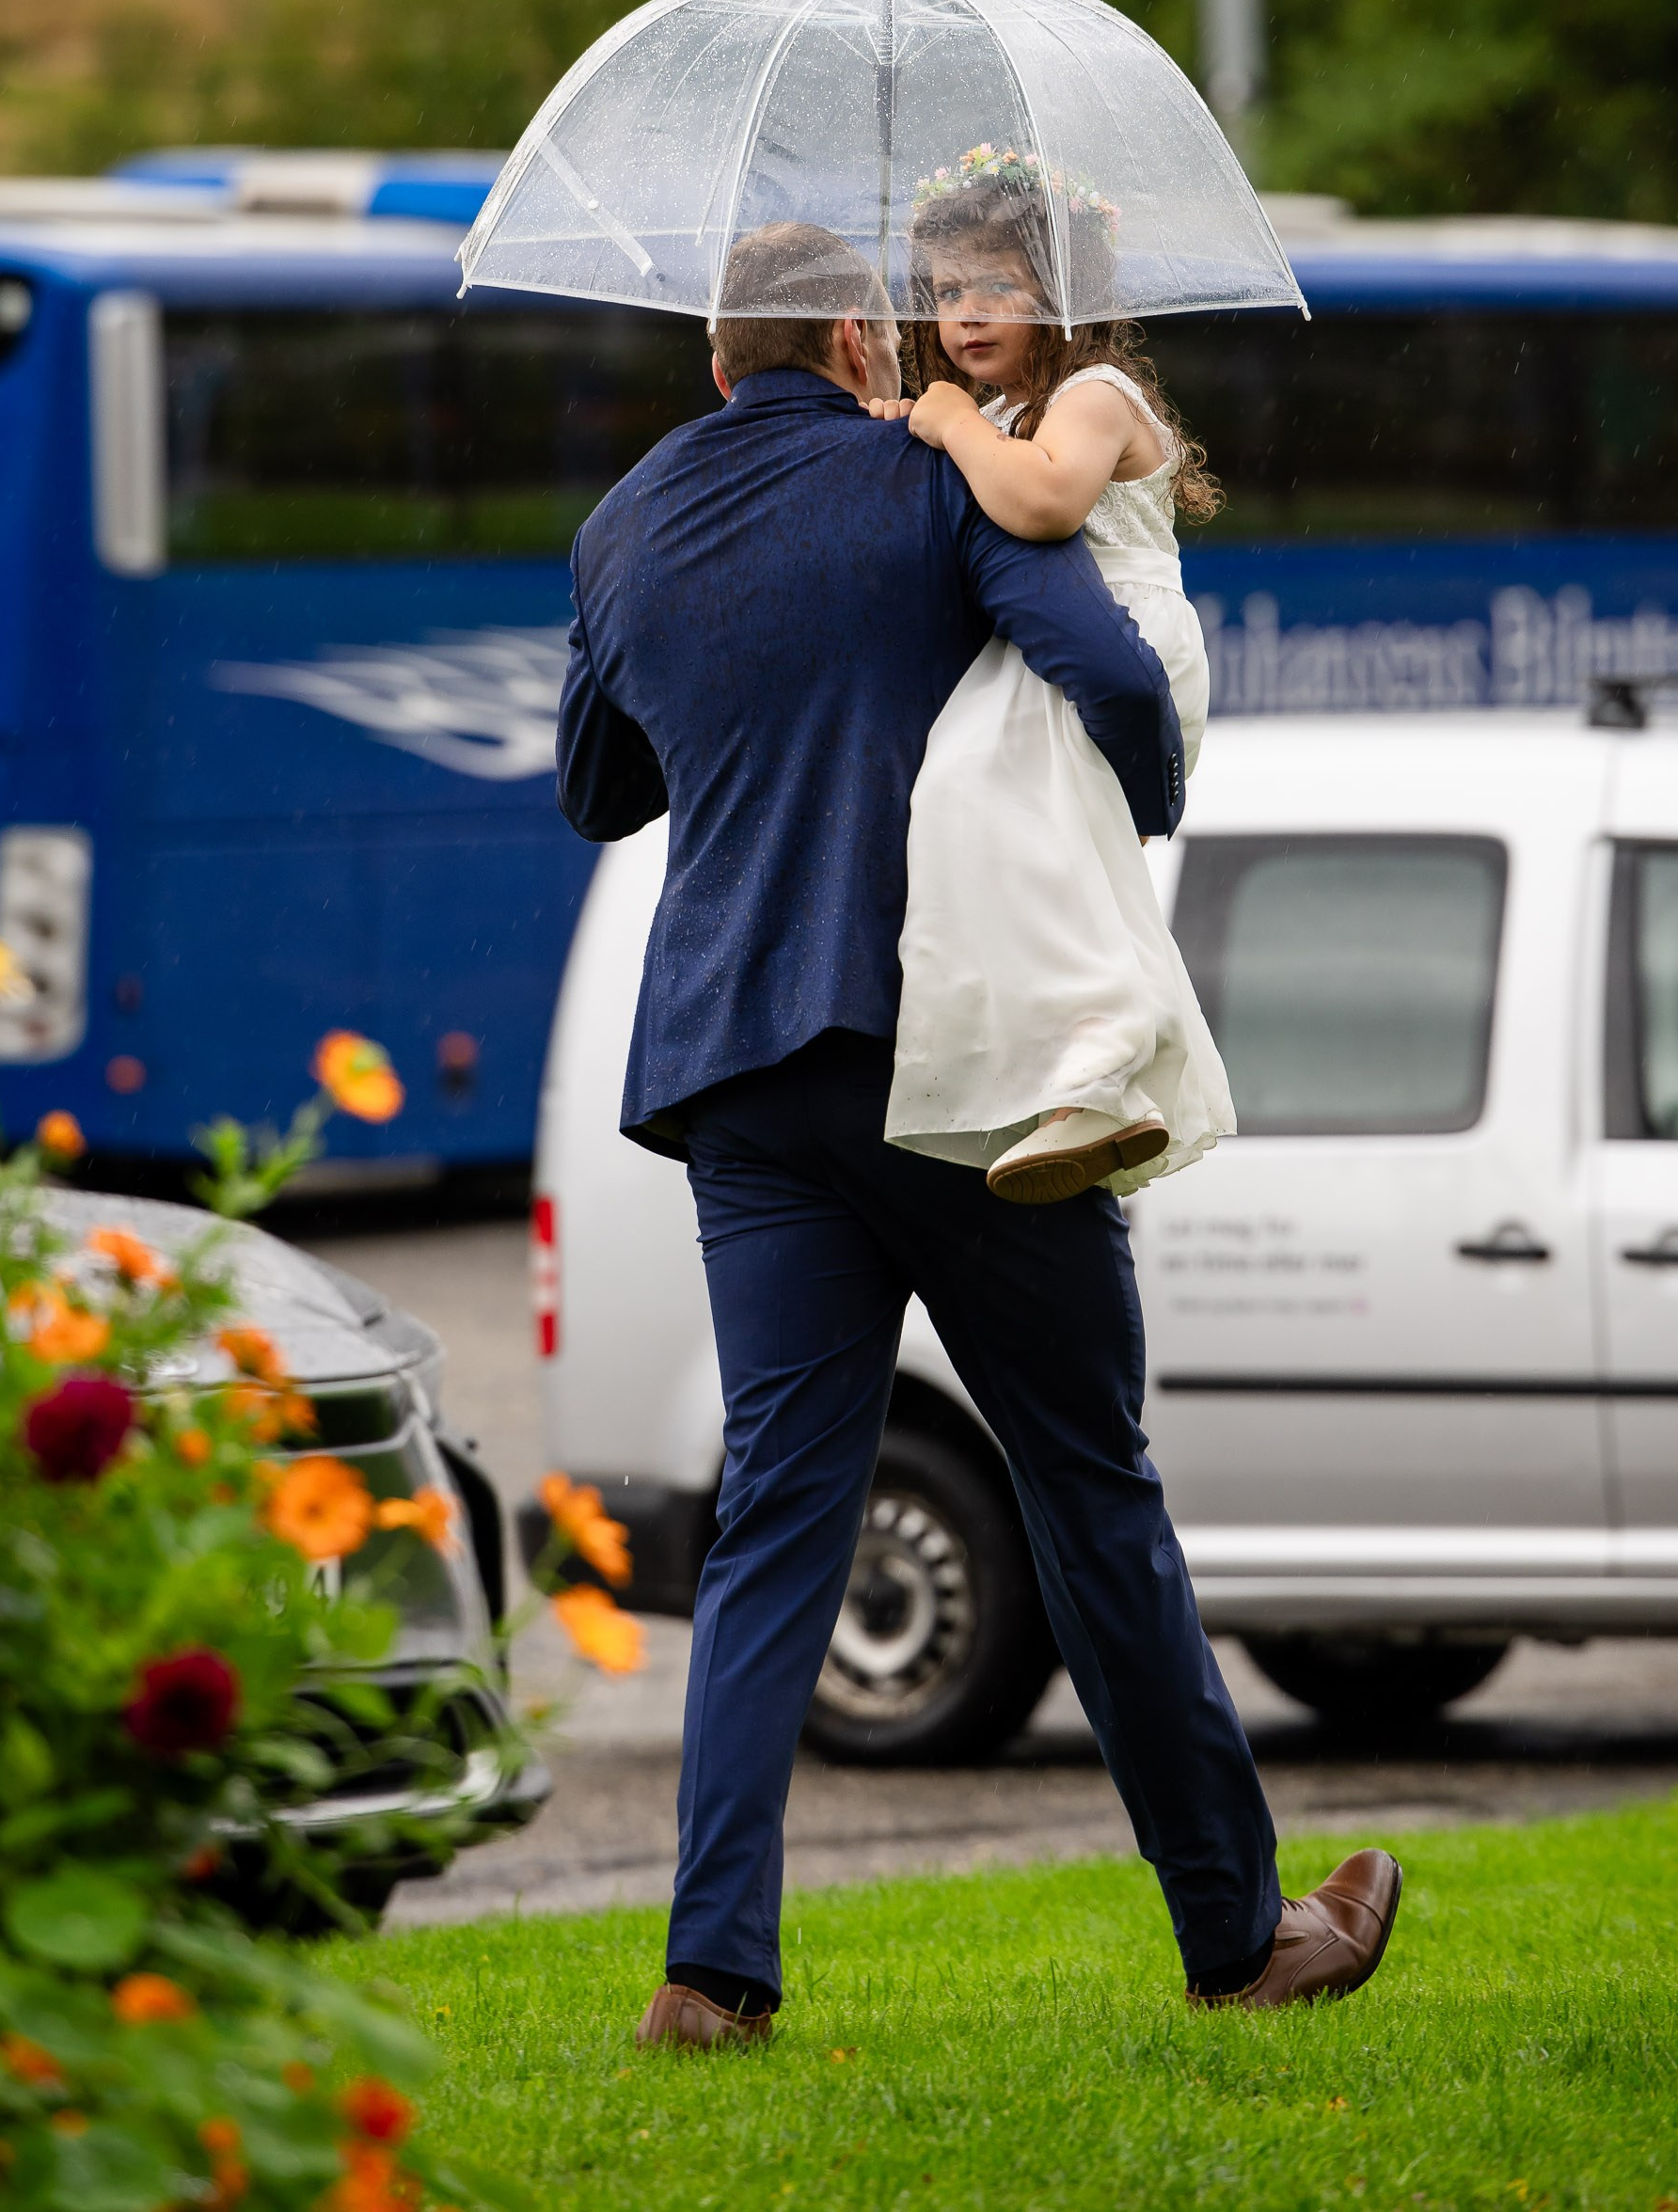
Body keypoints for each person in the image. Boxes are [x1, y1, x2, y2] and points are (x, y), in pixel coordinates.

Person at [555, 214, 1402, 2052]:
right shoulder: (921, 477)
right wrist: (1154, 804)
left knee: (780, 1514)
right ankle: (1240, 1934)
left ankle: (711, 1973)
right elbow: (1096, 663)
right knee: (1087, 1482)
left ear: (717, 361)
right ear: (856, 344)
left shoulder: (622, 525)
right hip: (954, 1055)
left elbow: (595, 785)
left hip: (740, 1075)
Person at [879, 144, 1236, 1205]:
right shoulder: (992, 415)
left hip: (1120, 644)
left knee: (985, 795)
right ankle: (1080, 1080)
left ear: (1065, 290)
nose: (965, 312)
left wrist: (941, 420)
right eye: (945, 291)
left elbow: (1041, 507)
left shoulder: (1096, 391)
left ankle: (1109, 1068)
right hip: (1061, 648)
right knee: (992, 820)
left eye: (996, 284)